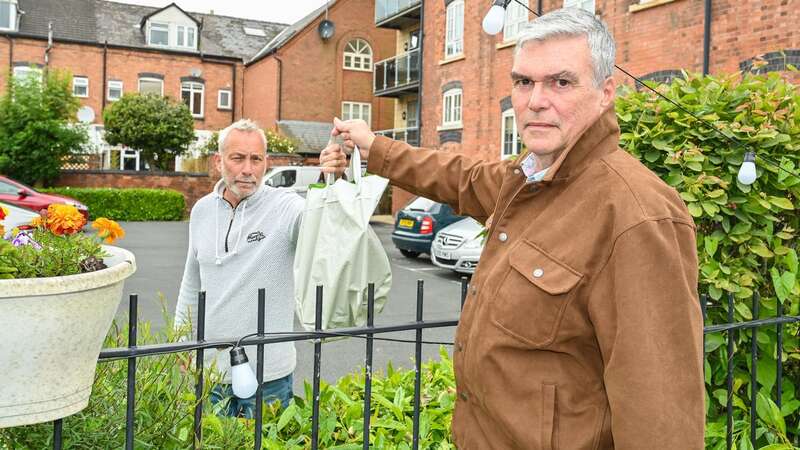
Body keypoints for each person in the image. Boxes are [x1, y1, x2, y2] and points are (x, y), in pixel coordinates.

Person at [320, 8, 704, 449]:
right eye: (524, 82)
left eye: (561, 82)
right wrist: (373, 149)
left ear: (605, 93)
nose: (536, 100)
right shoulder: (528, 177)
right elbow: (458, 176)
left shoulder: (636, 214)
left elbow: (660, 415)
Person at [175, 119, 304, 418]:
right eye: (238, 158)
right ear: (219, 161)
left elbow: (318, 219)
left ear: (266, 163)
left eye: (256, 159)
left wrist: (333, 181)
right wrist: (182, 341)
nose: (248, 169)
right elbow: (192, 283)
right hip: (211, 373)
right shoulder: (202, 211)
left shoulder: (286, 207)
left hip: (269, 374)